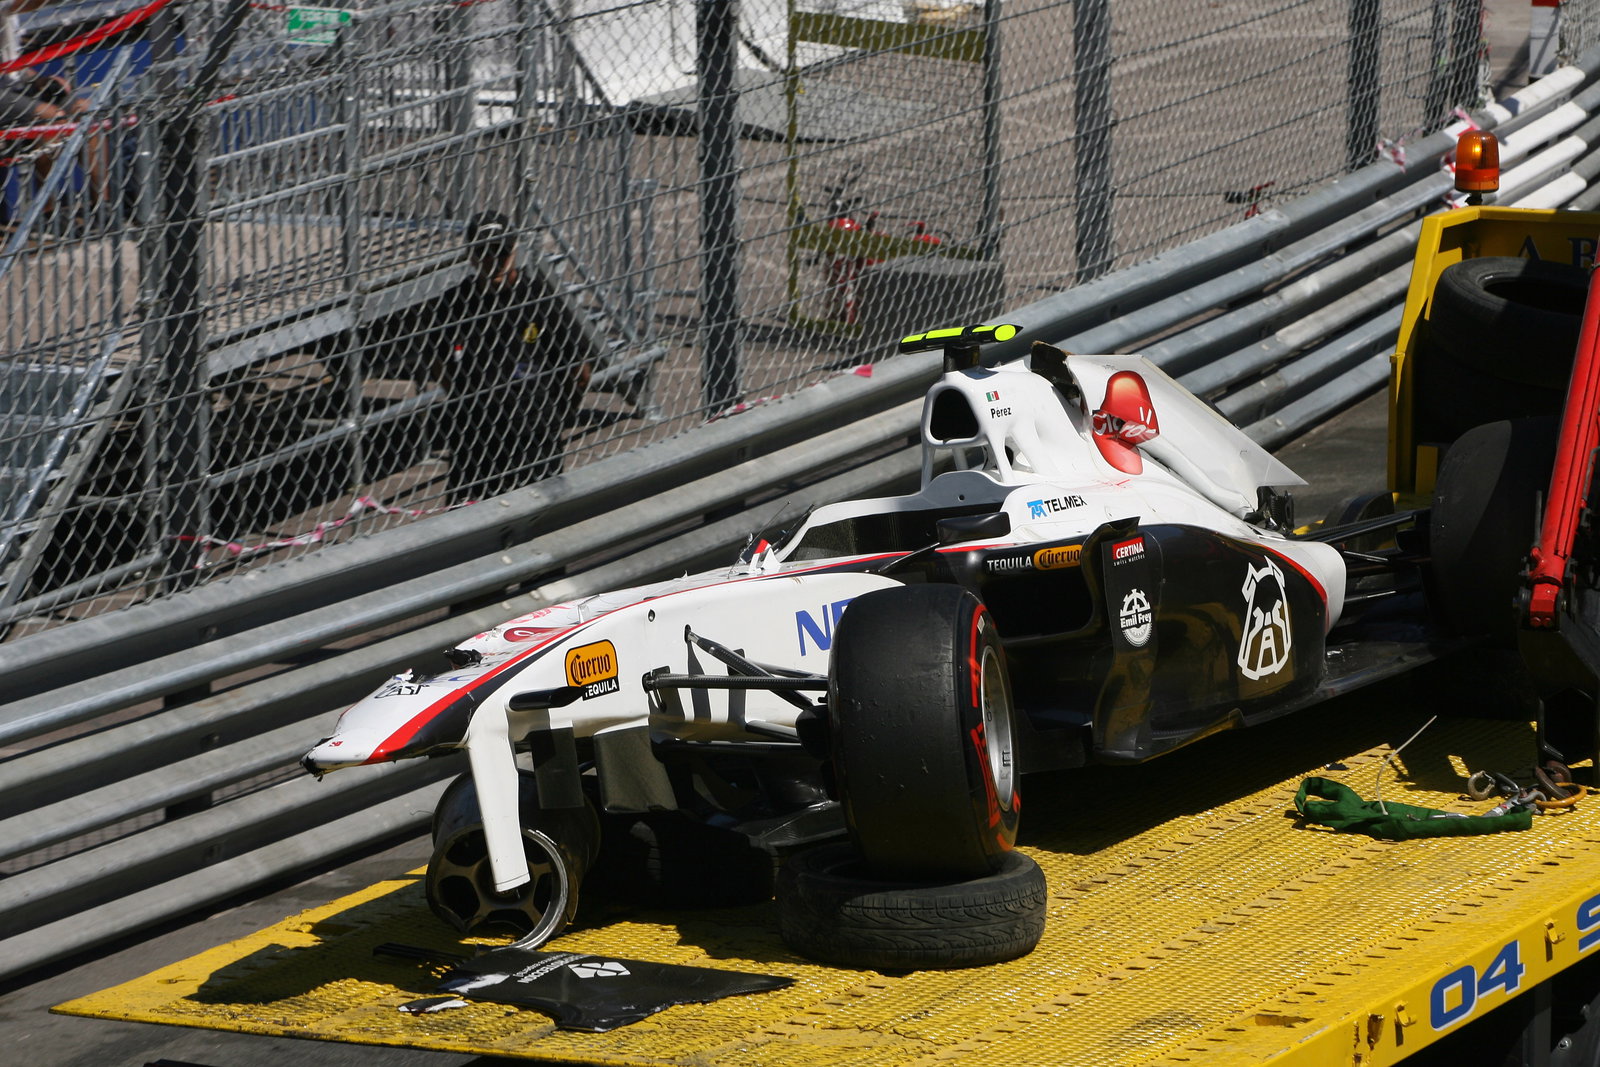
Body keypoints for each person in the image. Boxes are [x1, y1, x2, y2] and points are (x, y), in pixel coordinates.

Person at [428, 211, 591, 501]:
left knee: (539, 515)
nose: (493, 263)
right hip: (475, 439)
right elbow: (437, 360)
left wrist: (556, 414)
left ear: (514, 250)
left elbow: (578, 370)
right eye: (484, 254)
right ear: (471, 256)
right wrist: (463, 396)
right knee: (470, 525)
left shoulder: (538, 296)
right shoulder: (454, 304)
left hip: (532, 431)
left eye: (500, 254)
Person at [1, 0, 108, 213]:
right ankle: (48, 211)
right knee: (51, 117)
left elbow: (14, 65)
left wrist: (40, 79)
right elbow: (25, 4)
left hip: (14, 84)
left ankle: (104, 207)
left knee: (84, 111)